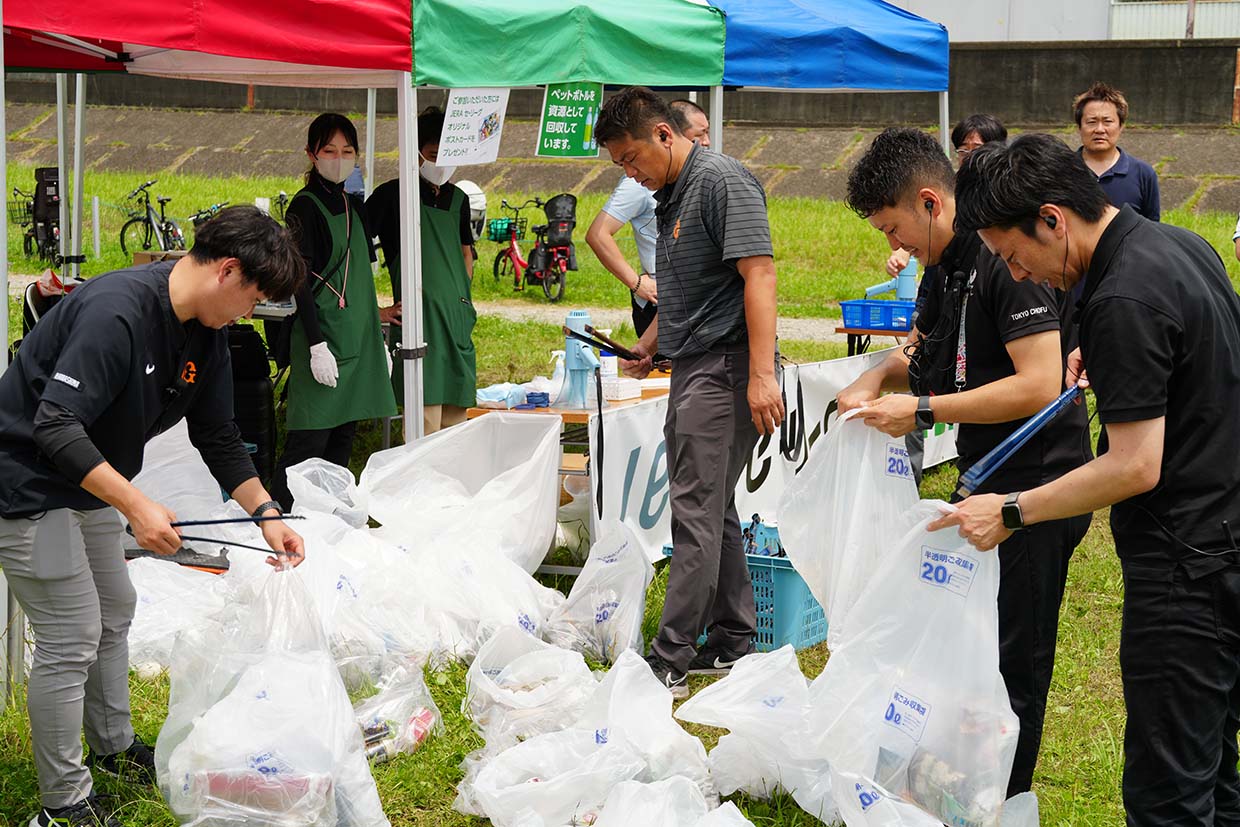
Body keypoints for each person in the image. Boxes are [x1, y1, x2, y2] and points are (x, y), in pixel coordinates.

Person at [943, 133, 1240, 826]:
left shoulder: (1122, 298)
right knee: (1214, 772)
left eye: (1016, 257)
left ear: (1052, 218)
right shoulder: (1178, 246)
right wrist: (1104, 354)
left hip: (1185, 573)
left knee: (1167, 795)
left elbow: (1136, 463)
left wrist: (1012, 510)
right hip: (1226, 536)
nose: (1026, 274)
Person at [0, 206, 307, 827]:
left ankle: (112, 749)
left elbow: (218, 432)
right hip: (27, 479)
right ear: (227, 271)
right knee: (71, 634)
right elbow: (53, 425)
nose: (251, 312)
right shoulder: (118, 312)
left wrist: (265, 513)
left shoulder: (208, 331)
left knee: (115, 609)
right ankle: (62, 804)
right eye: (255, 297)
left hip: (88, 480)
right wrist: (136, 504)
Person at [835, 128, 1092, 797]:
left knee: (1016, 660)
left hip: (1040, 481)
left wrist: (922, 410)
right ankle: (965, 786)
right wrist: (878, 377)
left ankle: (1006, 801)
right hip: (985, 479)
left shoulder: (1005, 256)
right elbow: (926, 344)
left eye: (894, 230)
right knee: (971, 647)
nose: (893, 248)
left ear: (929, 201)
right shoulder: (942, 266)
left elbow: (1040, 382)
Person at [594, 86, 783, 699]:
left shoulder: (723, 183)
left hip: (726, 369)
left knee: (694, 511)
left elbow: (759, 275)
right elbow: (684, 290)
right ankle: (733, 638)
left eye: (631, 159)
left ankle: (670, 657)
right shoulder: (669, 194)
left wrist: (761, 375)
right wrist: (651, 339)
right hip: (692, 361)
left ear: (664, 136)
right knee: (713, 505)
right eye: (619, 165)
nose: (629, 173)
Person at [272, 113, 396, 510]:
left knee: (342, 440)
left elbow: (357, 278)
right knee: (308, 445)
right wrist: (316, 345)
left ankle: (329, 525)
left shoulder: (351, 203)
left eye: (347, 151)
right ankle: (276, 520)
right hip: (323, 340)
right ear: (312, 154)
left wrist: (375, 333)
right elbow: (299, 281)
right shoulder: (304, 208)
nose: (339, 158)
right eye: (329, 150)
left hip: (358, 341)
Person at [367, 107, 477, 435]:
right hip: (419, 323)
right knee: (423, 423)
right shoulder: (391, 196)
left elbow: (465, 252)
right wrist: (378, 311)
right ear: (415, 153)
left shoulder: (459, 199)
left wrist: (463, 302)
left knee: (456, 426)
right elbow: (354, 253)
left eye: (447, 154)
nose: (440, 162)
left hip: (456, 323)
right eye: (432, 154)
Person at [585, 99, 712, 337]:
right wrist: (637, 283)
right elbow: (597, 234)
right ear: (668, 134)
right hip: (661, 304)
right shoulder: (639, 181)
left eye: (707, 133)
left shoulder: (707, 179)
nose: (705, 142)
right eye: (700, 134)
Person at [884, 114, 1008, 279]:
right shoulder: (949, 187)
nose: (969, 157)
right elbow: (918, 221)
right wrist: (901, 254)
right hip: (941, 268)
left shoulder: (1005, 193)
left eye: (977, 149)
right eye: (963, 150)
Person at [1073, 81, 1160, 221]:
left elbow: (1152, 230)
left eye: (1107, 121)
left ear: (1121, 126)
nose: (1100, 129)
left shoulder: (1143, 174)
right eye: (1091, 122)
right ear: (1079, 127)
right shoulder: (1062, 170)